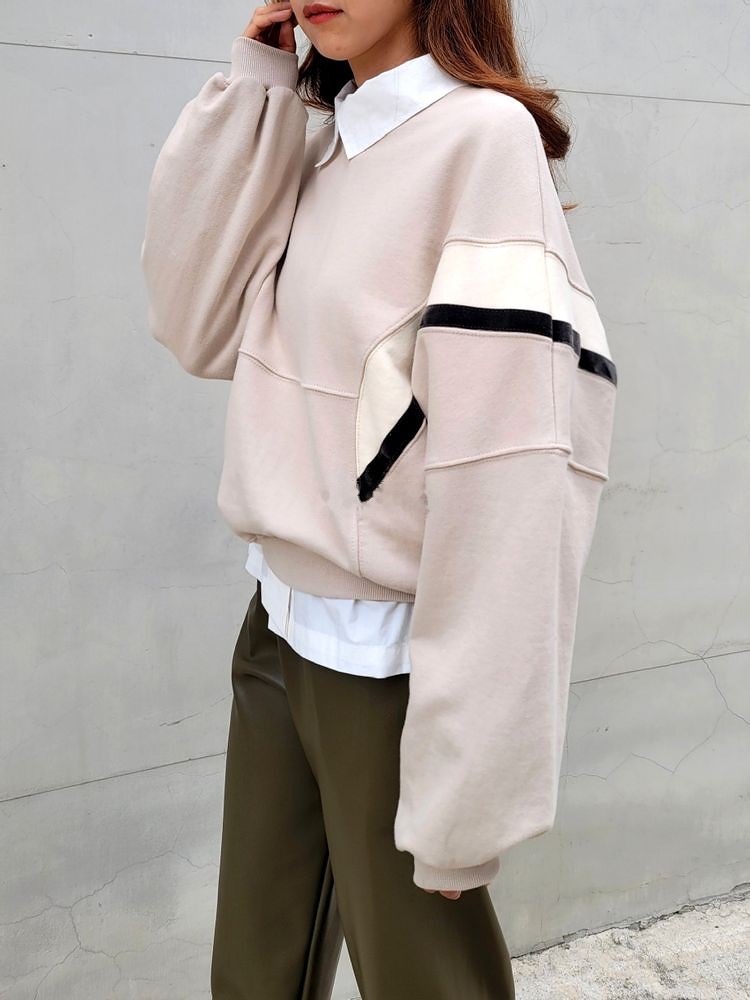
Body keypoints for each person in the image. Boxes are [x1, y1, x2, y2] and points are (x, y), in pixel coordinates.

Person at [140, 0, 618, 996]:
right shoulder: (329, 143)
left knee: (428, 983)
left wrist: (468, 787)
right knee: (253, 976)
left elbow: (512, 471)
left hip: (385, 668)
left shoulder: (480, 139)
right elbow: (196, 323)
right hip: (277, 626)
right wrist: (258, 91)